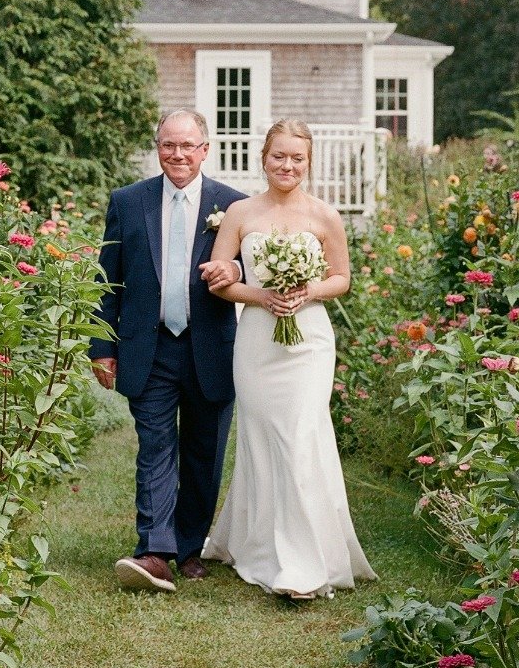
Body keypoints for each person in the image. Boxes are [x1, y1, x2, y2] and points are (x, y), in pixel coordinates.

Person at [201, 119, 375, 599]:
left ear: (309, 162)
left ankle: (302, 564)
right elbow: (220, 283)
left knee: (301, 434)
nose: (288, 165)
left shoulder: (325, 216)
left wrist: (305, 292)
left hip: (309, 342)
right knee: (262, 439)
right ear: (264, 157)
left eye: (297, 157)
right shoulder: (239, 212)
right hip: (257, 339)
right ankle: (258, 544)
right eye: (279, 156)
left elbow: (342, 278)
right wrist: (260, 296)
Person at [90, 109, 246, 593]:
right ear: (158, 147)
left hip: (210, 347)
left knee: (204, 451)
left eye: (188, 146)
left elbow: (247, 266)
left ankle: (189, 546)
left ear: (205, 149)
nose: (177, 154)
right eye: (168, 145)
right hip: (149, 346)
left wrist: (236, 273)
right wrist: (101, 345)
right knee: (155, 446)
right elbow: (108, 279)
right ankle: (155, 551)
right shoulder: (128, 202)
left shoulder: (233, 206)